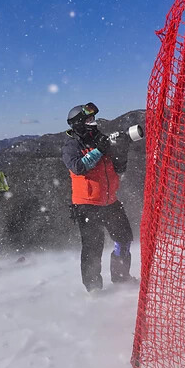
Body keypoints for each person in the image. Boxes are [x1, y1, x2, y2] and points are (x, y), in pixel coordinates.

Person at [61, 102, 135, 292]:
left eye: (93, 118)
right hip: (87, 204)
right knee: (93, 247)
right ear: (78, 123)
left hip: (110, 201)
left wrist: (121, 150)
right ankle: (93, 289)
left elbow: (119, 168)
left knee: (124, 238)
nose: (93, 123)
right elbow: (78, 166)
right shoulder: (71, 146)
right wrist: (99, 150)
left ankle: (121, 277)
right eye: (89, 119)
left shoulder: (100, 138)